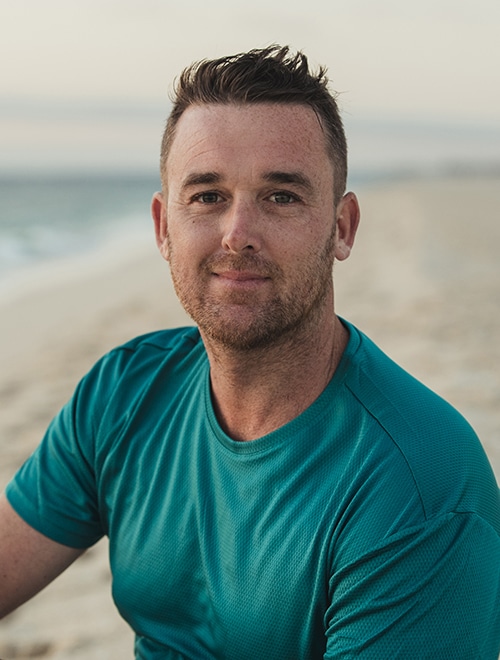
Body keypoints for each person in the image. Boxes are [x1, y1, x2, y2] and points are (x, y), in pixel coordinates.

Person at [1, 45, 499, 659]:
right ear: (163, 227)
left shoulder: (419, 486)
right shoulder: (124, 392)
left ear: (342, 228)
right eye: (207, 196)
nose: (238, 234)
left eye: (281, 196)